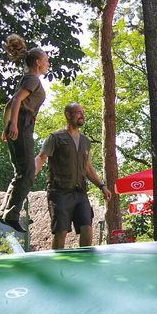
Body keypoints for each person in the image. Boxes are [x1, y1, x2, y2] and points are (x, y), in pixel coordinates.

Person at [34, 103, 112, 250]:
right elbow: (41, 157)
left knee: (87, 228)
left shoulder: (85, 141)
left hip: (80, 192)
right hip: (59, 192)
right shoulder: (55, 138)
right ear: (68, 115)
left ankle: (84, 264)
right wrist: (30, 175)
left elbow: (87, 167)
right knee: (61, 232)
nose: (82, 115)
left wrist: (102, 186)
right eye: (78, 112)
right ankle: (58, 266)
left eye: (83, 112)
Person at [0, 34, 50, 233]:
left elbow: (8, 105)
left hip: (19, 126)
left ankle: (6, 213)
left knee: (21, 172)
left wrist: (7, 126)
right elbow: (18, 100)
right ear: (38, 63)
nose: (48, 63)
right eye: (46, 60)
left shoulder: (28, 79)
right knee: (28, 172)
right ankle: (11, 214)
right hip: (23, 127)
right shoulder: (32, 80)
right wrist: (13, 125)